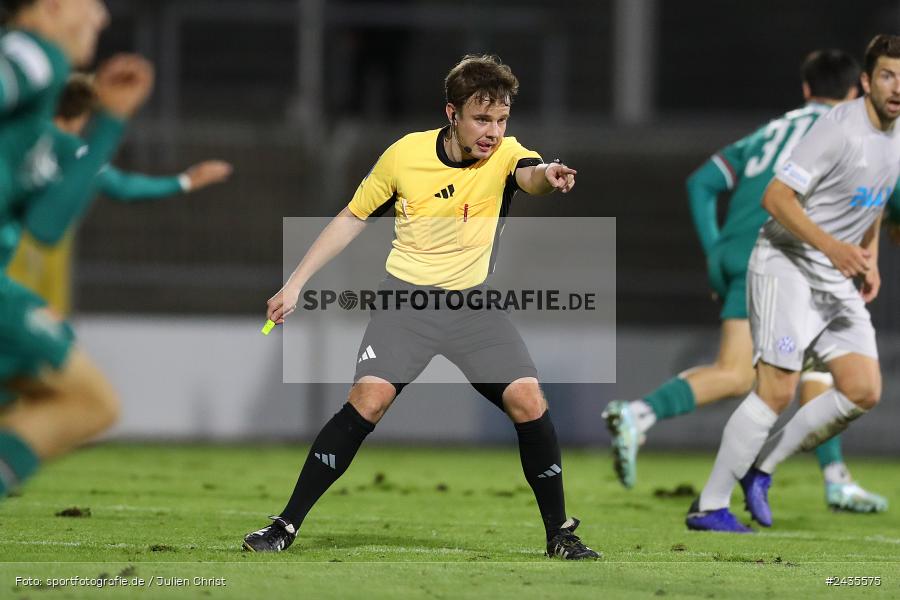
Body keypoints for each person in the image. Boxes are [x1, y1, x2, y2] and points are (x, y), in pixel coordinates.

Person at [242, 55, 600, 559]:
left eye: (501, 120)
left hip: (474, 306)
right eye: (482, 119)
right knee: (368, 400)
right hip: (405, 303)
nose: (493, 132)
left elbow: (530, 175)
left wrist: (550, 174)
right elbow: (351, 217)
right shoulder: (405, 155)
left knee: (529, 399)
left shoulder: (507, 154)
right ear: (451, 113)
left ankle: (559, 533)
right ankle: (283, 526)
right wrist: (296, 282)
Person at [603, 50, 890, 513]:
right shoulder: (847, 130)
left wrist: (715, 249)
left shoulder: (772, 131)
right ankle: (652, 425)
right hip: (786, 254)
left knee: (784, 370)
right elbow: (874, 195)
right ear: (857, 90)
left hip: (737, 250)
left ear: (805, 89)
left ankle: (832, 478)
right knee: (758, 375)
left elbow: (701, 183)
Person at [686, 34, 900, 532]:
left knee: (863, 389)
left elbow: (875, 196)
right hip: (785, 263)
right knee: (777, 389)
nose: (897, 88)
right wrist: (837, 249)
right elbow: (777, 199)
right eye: (887, 75)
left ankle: (761, 470)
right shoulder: (837, 129)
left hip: (837, 271)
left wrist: (869, 257)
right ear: (865, 82)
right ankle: (710, 505)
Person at [0, 0, 153, 498]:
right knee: (87, 401)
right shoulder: (32, 55)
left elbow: (47, 224)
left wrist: (109, 121)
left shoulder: (38, 94)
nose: (102, 17)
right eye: (91, 3)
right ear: (50, 6)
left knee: (83, 401)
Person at [5, 74, 232, 315]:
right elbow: (124, 187)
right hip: (32, 263)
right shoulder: (74, 151)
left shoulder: (16, 136)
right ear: (81, 116)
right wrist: (185, 181)